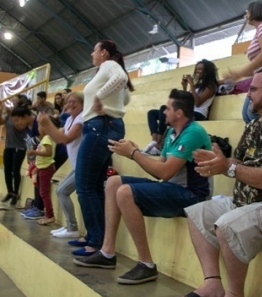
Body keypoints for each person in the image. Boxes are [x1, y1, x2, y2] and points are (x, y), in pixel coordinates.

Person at [171, 68, 262, 297]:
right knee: (197, 212)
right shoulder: (254, 124)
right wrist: (219, 160)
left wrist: (228, 168)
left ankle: (234, 296)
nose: (248, 95)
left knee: (226, 225)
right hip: (246, 200)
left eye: (253, 89)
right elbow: (238, 161)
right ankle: (212, 284)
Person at [73, 90, 212, 285]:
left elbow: (164, 172)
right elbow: (159, 170)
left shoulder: (194, 132)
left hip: (191, 196)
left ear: (179, 113)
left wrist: (134, 153)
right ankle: (107, 252)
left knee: (125, 192)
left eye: (168, 108)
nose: (163, 112)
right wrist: (134, 151)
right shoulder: (172, 132)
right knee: (113, 182)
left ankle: (146, 264)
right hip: (171, 188)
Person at [71, 40, 134, 256]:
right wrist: (107, 101)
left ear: (104, 53)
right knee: (95, 185)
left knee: (84, 185)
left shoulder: (108, 66)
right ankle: (94, 236)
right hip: (107, 125)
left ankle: (96, 239)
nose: (92, 53)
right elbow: (124, 97)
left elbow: (121, 79)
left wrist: (99, 97)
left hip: (100, 126)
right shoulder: (107, 69)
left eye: (94, 50)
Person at [143, 59, 219, 155]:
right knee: (152, 113)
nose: (197, 71)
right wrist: (185, 87)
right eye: (197, 69)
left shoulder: (211, 86)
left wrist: (191, 85)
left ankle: (158, 145)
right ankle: (154, 142)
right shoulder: (198, 85)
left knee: (163, 109)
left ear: (206, 72)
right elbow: (187, 101)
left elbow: (198, 103)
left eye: (200, 69)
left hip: (199, 114)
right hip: (189, 111)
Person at [37, 92, 84, 238]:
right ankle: (70, 226)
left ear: (83, 104)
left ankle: (72, 228)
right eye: (68, 102)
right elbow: (57, 137)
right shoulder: (70, 119)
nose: (70, 104)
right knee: (60, 191)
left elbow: (65, 139)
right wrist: (45, 126)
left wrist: (47, 123)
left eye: (74, 101)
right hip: (77, 165)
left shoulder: (81, 120)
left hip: (83, 166)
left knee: (62, 191)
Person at [0, 100, 34, 208]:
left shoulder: (20, 119)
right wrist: (0, 110)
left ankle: (16, 193)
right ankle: (10, 192)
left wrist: (11, 113)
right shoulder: (9, 116)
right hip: (8, 147)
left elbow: (19, 127)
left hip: (19, 147)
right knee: (7, 170)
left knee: (15, 170)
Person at [26, 116, 60, 225]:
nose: (38, 128)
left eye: (40, 125)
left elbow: (49, 153)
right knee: (42, 192)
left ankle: (50, 215)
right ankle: (48, 214)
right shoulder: (46, 138)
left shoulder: (47, 139)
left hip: (46, 168)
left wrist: (34, 152)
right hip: (42, 168)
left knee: (44, 193)